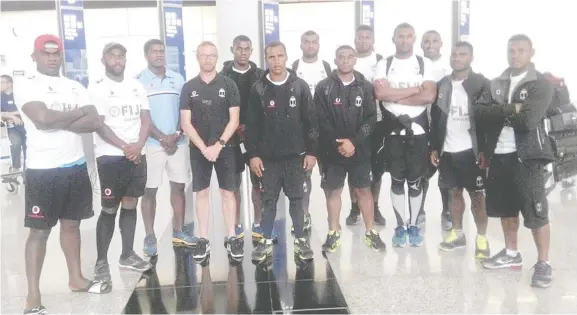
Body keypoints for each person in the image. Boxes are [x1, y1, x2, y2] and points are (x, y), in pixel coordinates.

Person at [16, 34, 108, 315]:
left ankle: (76, 279)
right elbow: (42, 120)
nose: (52, 58)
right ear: (35, 56)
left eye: (56, 53)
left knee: (72, 225)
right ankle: (33, 295)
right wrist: (75, 115)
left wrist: (60, 119)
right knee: (39, 232)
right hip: (43, 171)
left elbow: (93, 121)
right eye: (46, 53)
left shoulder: (74, 86)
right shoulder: (26, 85)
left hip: (75, 166)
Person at [476, 34, 554, 288]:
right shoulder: (497, 82)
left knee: (535, 212)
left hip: (528, 157)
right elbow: (479, 113)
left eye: (521, 50)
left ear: (532, 52)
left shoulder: (540, 84)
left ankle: (543, 263)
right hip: (499, 155)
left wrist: (499, 113)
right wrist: (512, 109)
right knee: (505, 209)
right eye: (512, 50)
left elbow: (528, 121)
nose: (515, 54)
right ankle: (511, 254)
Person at [246, 41, 318, 262]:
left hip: (296, 157)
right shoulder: (258, 88)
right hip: (268, 159)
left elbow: (311, 123)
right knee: (268, 201)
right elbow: (252, 125)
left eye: (280, 56)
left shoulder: (300, 86)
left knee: (297, 199)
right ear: (266, 59)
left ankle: (301, 241)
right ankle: (264, 242)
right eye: (271, 57)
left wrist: (312, 152)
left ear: (286, 57)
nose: (276, 61)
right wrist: (253, 155)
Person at [90, 42, 154, 282]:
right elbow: (99, 124)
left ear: (125, 60)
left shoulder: (136, 86)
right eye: (112, 56)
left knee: (130, 203)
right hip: (111, 157)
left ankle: (127, 255)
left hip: (137, 155)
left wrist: (137, 145)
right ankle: (101, 261)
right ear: (104, 60)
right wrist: (125, 146)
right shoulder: (97, 88)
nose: (117, 60)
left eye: (121, 57)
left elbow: (145, 118)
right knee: (109, 208)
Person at [314, 45, 386, 253]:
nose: (345, 60)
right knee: (333, 191)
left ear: (355, 60)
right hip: (332, 151)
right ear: (335, 60)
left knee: (364, 190)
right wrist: (340, 144)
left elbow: (372, 117)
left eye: (349, 57)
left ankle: (370, 231)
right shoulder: (324, 87)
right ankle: (333, 232)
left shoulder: (365, 86)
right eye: (341, 57)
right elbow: (321, 119)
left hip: (360, 149)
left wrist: (354, 142)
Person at [373, 23, 437, 247]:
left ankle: (414, 227)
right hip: (392, 131)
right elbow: (380, 93)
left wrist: (395, 95)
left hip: (419, 132)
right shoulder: (384, 63)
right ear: (394, 38)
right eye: (400, 36)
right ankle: (401, 225)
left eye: (409, 36)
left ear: (414, 38)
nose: (404, 40)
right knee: (397, 181)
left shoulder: (424, 63)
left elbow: (429, 96)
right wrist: (413, 90)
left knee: (415, 182)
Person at [180, 41, 242, 261]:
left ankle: (232, 236)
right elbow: (186, 123)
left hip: (225, 148)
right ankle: (203, 238)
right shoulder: (189, 87)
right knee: (202, 193)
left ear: (217, 58)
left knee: (228, 193)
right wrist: (205, 148)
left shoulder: (229, 84)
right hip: (199, 150)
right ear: (198, 57)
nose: (208, 59)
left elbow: (234, 120)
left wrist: (219, 145)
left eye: (212, 55)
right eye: (204, 55)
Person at [429, 41, 490, 258]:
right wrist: (435, 146)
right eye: (454, 54)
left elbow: (489, 120)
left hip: (471, 152)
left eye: (462, 54)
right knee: (453, 194)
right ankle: (457, 234)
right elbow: (435, 118)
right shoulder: (442, 84)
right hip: (448, 150)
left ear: (470, 57)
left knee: (477, 197)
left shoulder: (482, 84)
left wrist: (485, 151)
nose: (457, 58)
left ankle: (482, 238)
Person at [136, 39, 195, 257]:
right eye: (154, 51)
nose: (159, 55)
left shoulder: (177, 80)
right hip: (152, 144)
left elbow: (185, 110)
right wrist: (162, 138)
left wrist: (177, 134)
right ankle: (150, 235)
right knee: (149, 190)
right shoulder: (139, 82)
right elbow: (142, 117)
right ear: (146, 55)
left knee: (178, 187)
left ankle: (179, 231)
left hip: (178, 143)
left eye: (162, 51)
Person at [220, 35, 265, 241]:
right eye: (240, 48)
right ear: (232, 49)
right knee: (234, 184)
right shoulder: (223, 76)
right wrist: (234, 127)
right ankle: (236, 224)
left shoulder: (261, 76)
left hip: (257, 139)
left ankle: (259, 222)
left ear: (251, 51)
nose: (244, 52)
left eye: (247, 48)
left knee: (259, 183)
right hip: (232, 139)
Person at [291, 30, 333, 232]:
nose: (310, 45)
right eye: (306, 42)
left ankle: (331, 218)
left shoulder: (326, 68)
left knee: (328, 177)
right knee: (304, 176)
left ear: (318, 45)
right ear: (301, 45)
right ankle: (305, 215)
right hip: (302, 131)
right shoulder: (294, 68)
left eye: (313, 42)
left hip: (325, 131)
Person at [347, 25, 386, 226]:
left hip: (376, 122)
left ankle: (375, 206)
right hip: (350, 126)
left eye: (367, 37)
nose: (363, 41)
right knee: (352, 167)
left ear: (372, 41)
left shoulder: (381, 61)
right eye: (360, 37)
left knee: (376, 169)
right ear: (355, 40)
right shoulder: (347, 60)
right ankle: (354, 207)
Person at [419, 30, 453, 230]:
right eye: (426, 42)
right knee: (423, 172)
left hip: (445, 128)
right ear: (421, 45)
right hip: (422, 126)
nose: (430, 45)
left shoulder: (449, 68)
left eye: (434, 41)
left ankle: (447, 211)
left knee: (446, 173)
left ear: (441, 44)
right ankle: (419, 210)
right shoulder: (416, 66)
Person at [1, 74, 27, 172]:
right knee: (16, 144)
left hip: (25, 125)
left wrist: (9, 113)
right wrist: (12, 117)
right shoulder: (1, 97)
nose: (0, 84)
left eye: (2, 82)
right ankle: (16, 167)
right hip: (12, 127)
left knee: (27, 146)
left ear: (10, 84)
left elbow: (24, 109)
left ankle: (28, 167)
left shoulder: (19, 95)